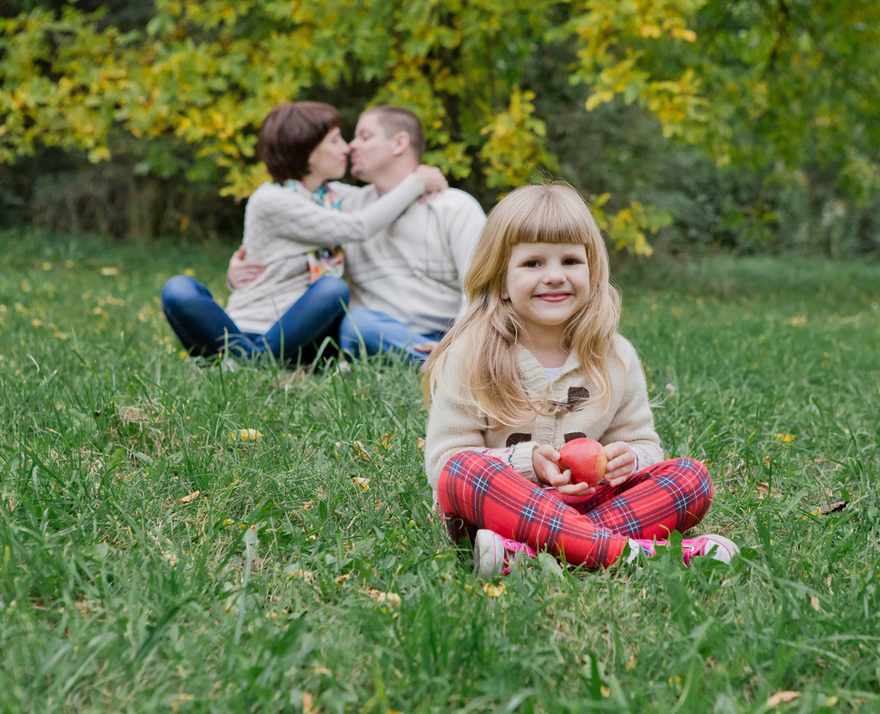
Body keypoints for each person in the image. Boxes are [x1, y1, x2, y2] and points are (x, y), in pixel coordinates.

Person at [422, 183, 738, 577]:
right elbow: (444, 463)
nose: (554, 276)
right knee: (463, 471)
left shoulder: (614, 356)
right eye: (533, 263)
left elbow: (644, 445)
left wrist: (629, 458)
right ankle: (638, 556)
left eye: (570, 261)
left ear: (592, 270)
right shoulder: (472, 353)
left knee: (690, 479)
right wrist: (527, 464)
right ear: (500, 280)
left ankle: (526, 557)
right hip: (500, 511)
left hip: (593, 505)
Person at [160, 101, 447, 364]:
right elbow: (359, 227)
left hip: (303, 338)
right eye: (335, 140)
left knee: (332, 289)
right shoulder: (271, 199)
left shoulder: (333, 198)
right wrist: (416, 184)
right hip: (247, 326)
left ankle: (247, 362)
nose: (346, 148)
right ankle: (254, 358)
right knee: (178, 290)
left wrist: (417, 175)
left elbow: (379, 198)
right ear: (306, 151)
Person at [228, 105, 487, 362]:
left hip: (449, 334)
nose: (350, 146)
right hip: (376, 333)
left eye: (364, 137)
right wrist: (237, 271)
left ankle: (451, 361)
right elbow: (291, 220)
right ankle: (445, 367)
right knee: (357, 324)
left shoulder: (454, 206)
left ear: (399, 143)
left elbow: (483, 285)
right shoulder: (345, 207)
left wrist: (460, 341)